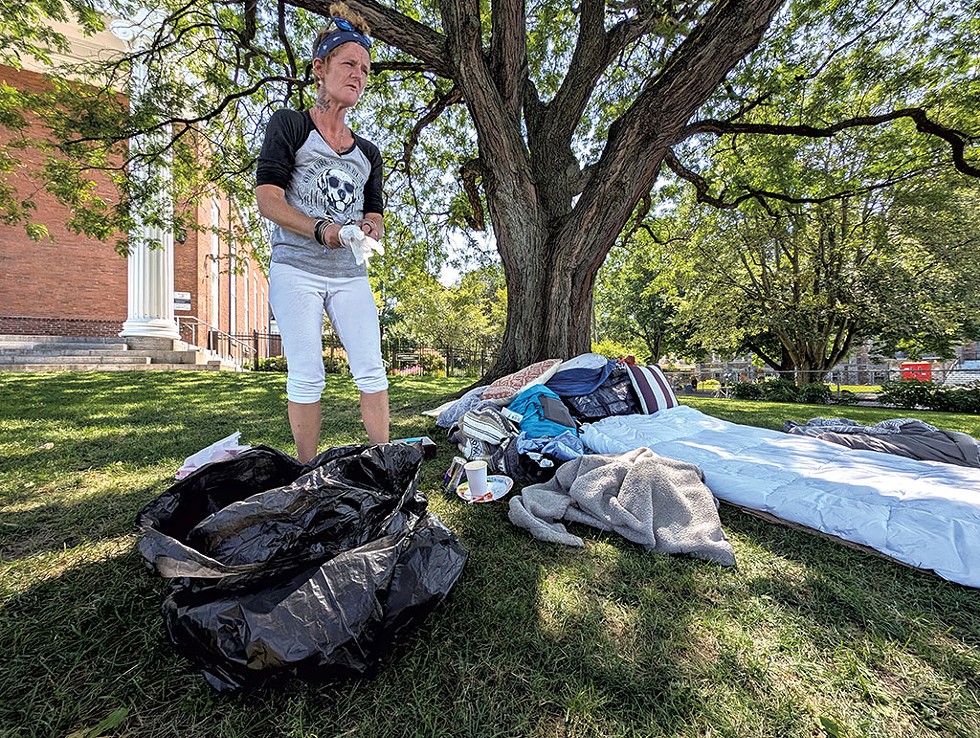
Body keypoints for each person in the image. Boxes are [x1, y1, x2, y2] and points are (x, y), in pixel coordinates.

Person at [255, 3, 388, 463]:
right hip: (297, 269)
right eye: (349, 63)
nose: (358, 75)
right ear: (320, 68)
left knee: (372, 369)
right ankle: (306, 471)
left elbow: (376, 214)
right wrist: (322, 230)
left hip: (349, 275)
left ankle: (386, 463)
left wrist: (366, 229)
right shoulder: (290, 126)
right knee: (308, 374)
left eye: (365, 69)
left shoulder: (368, 152)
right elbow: (268, 201)